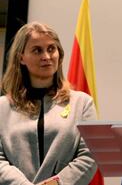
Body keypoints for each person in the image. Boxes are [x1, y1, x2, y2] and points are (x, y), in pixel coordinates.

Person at [0, 22, 97, 185]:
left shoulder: (82, 103)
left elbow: (90, 156)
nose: (46, 56)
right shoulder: (2, 107)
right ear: (21, 57)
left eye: (51, 49)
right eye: (37, 50)